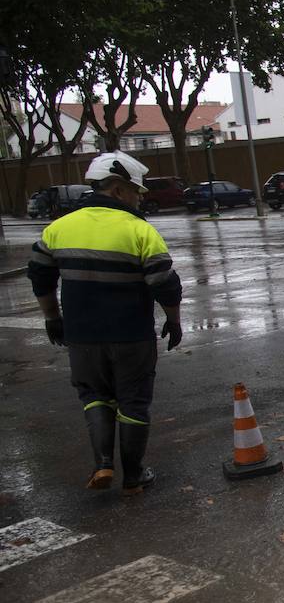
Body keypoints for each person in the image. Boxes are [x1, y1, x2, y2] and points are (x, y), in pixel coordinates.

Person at [28, 151, 183, 494]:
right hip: (131, 336)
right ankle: (133, 475)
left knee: (94, 395)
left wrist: (53, 318)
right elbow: (165, 284)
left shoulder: (58, 229)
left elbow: (39, 274)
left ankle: (102, 464)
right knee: (134, 400)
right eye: (135, 191)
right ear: (116, 189)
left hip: (82, 336)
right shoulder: (139, 231)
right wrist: (174, 321)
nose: (139, 198)